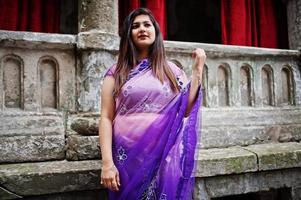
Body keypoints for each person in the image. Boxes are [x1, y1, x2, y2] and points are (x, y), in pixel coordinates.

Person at [99, 7, 206, 200]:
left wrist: (197, 70)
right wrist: (107, 163)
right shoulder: (115, 72)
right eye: (135, 26)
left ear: (155, 31)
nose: (142, 29)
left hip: (163, 155)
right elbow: (106, 118)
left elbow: (186, 109)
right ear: (128, 34)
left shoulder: (171, 70)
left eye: (147, 24)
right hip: (127, 157)